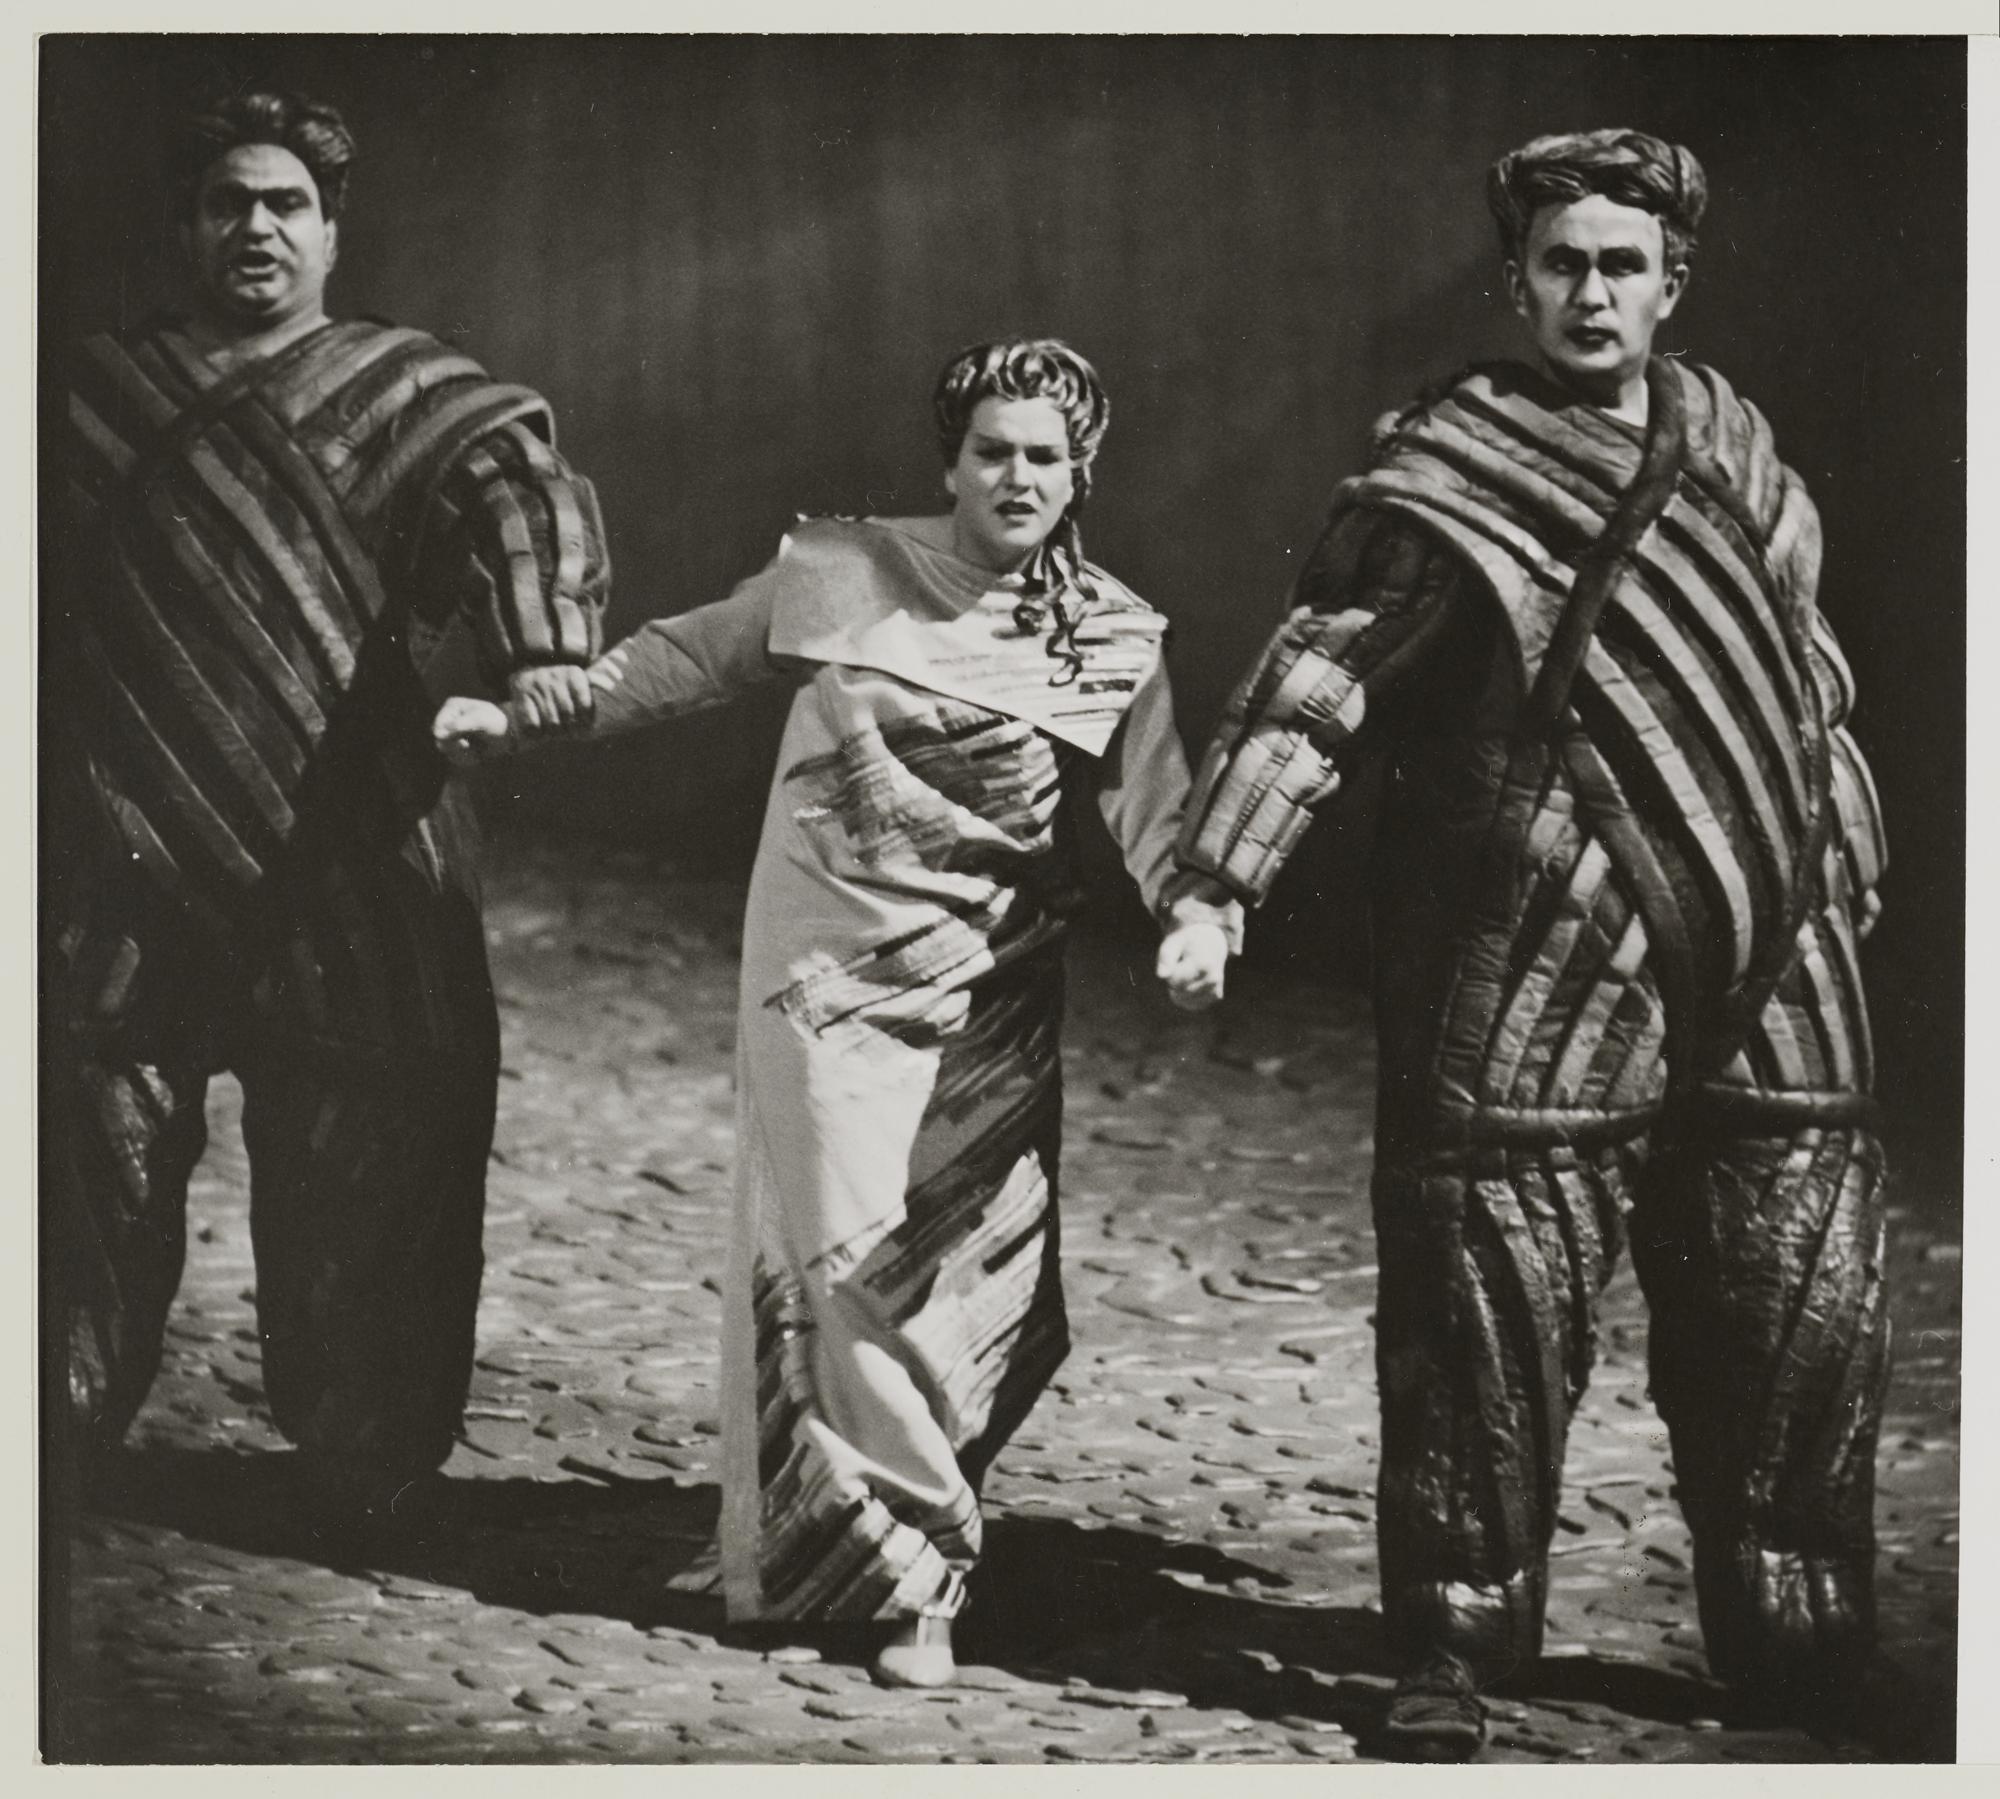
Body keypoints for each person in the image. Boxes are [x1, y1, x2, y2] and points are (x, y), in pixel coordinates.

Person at [1175, 131, 1889, 1758]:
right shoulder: (1455, 472)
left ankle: (1798, 1630)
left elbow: (1810, 679)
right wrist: (1220, 880)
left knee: (1801, 1304)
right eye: (1562, 264)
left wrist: (1847, 851)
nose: (1591, 293)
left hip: (1777, 951)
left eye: (1622, 265)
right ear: (1517, 282)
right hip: (1544, 953)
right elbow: (1323, 677)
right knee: (1484, 1301)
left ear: (1671, 284)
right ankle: (1457, 1637)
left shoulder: (1742, 458)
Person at [435, 337, 1238, 1685]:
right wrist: (531, 720)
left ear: (1081, 470)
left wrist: (1199, 914)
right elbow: (688, 657)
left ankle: (831, 1531)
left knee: (970, 1273)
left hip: (987, 987)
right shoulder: (845, 572)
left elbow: (1161, 814)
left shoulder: (1109, 636)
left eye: (1045, 456)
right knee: (849, 1265)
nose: (1018, 477)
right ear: (951, 462)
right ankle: (916, 1576)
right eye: (992, 452)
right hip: (822, 975)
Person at [46, 91, 609, 1536]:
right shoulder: (84, 396)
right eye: (227, 202)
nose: (257, 228)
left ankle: (369, 1462)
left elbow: (522, 497)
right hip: (123, 862)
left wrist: (541, 642)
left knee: (378, 1160)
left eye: (287, 203)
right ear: (186, 228)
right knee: (77, 1170)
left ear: (332, 231)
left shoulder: (410, 394)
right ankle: (43, 1436)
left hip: (348, 862)